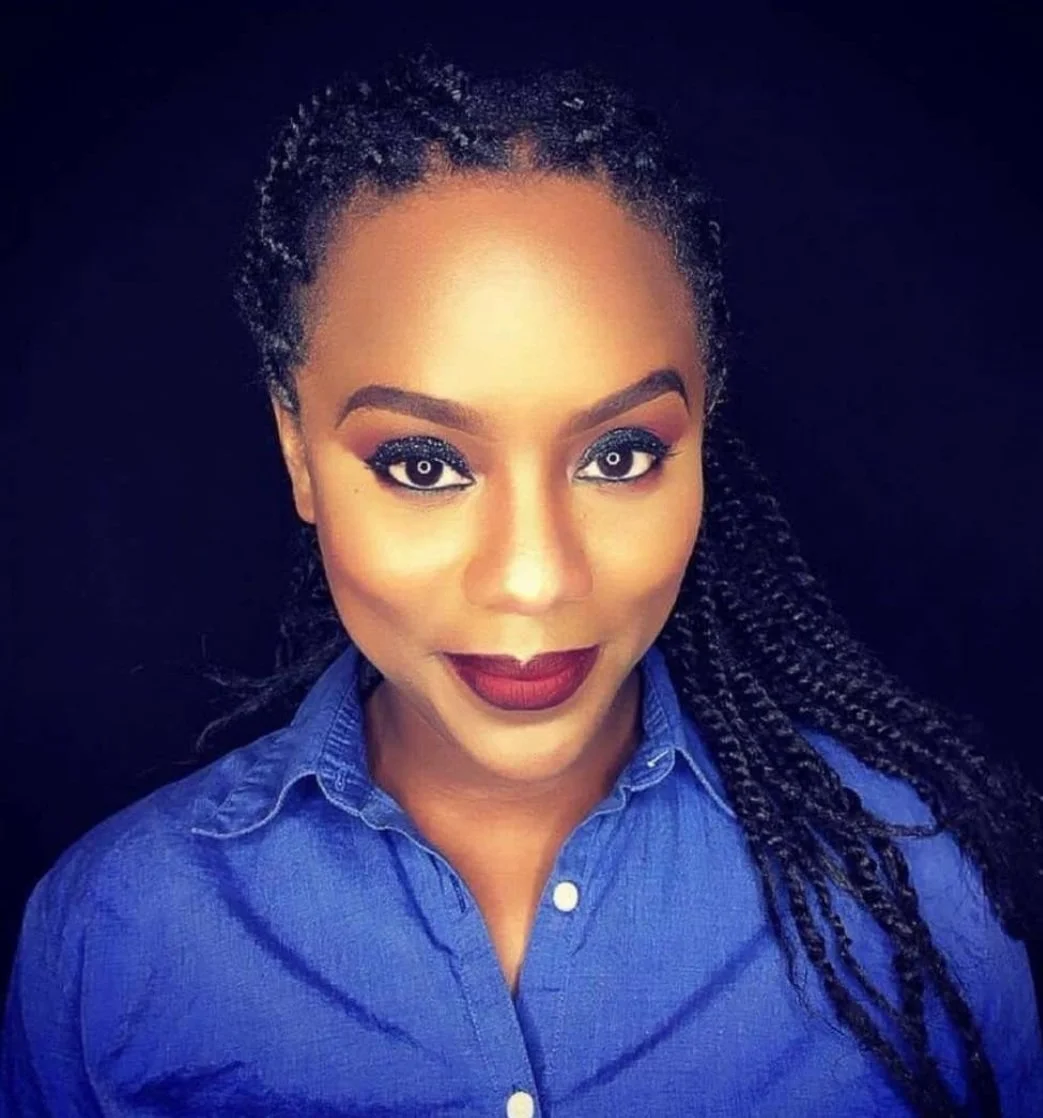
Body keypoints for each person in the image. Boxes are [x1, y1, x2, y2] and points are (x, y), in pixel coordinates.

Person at [2, 46, 1041, 1118]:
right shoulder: (112, 938)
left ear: (702, 437)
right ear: (299, 453)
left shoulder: (920, 896)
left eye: (619, 454)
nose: (534, 576)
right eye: (423, 464)